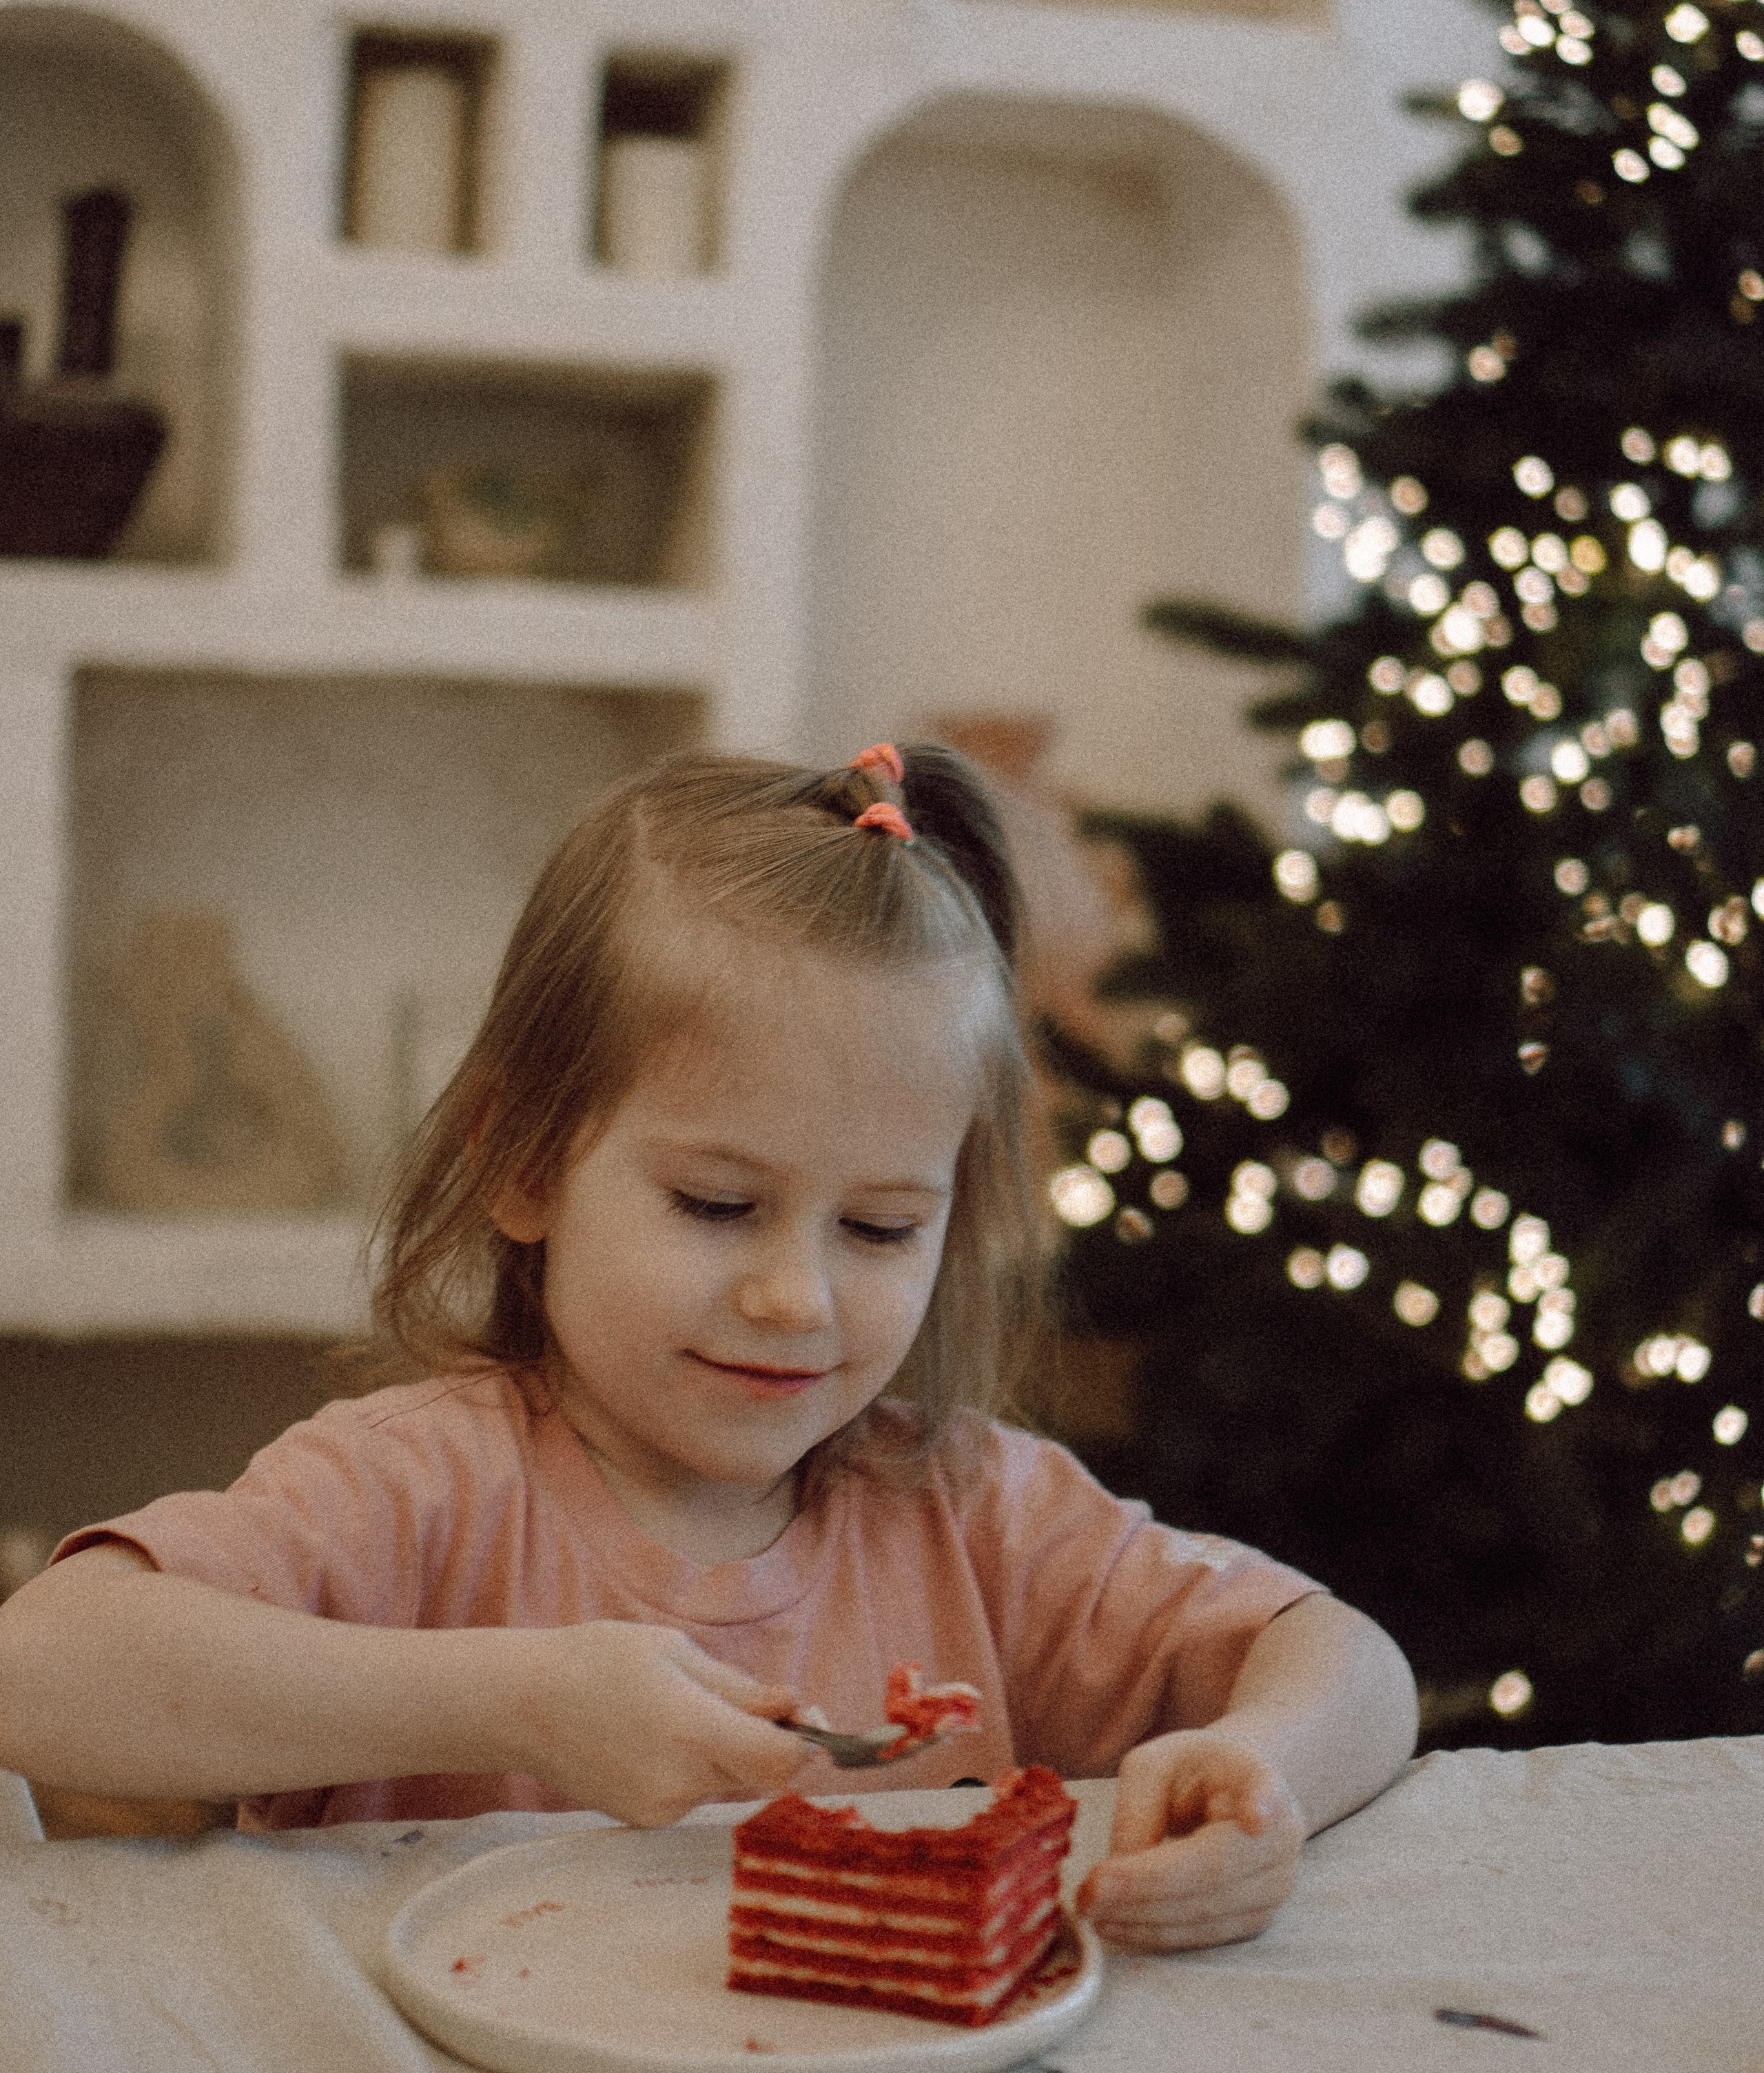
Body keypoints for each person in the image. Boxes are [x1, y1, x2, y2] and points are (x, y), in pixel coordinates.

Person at [0, 744, 1417, 1952]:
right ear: (529, 1167)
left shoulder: (975, 1514)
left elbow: (1344, 1658)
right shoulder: (414, 1489)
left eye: (876, 1230)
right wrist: (527, 1701)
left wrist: (1254, 1769)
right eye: (717, 1205)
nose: (794, 1296)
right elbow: (42, 1673)